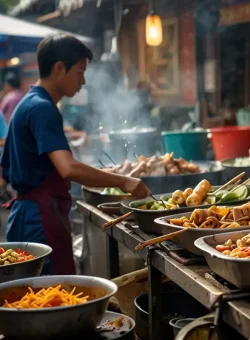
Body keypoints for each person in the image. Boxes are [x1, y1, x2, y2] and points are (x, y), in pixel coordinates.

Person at [0, 35, 151, 275]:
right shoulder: (42, 108)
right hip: (40, 220)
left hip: (28, 216)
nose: (82, 81)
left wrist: (107, 173)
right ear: (60, 68)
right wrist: (123, 181)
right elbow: (67, 168)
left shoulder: (29, 103)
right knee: (51, 298)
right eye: (80, 72)